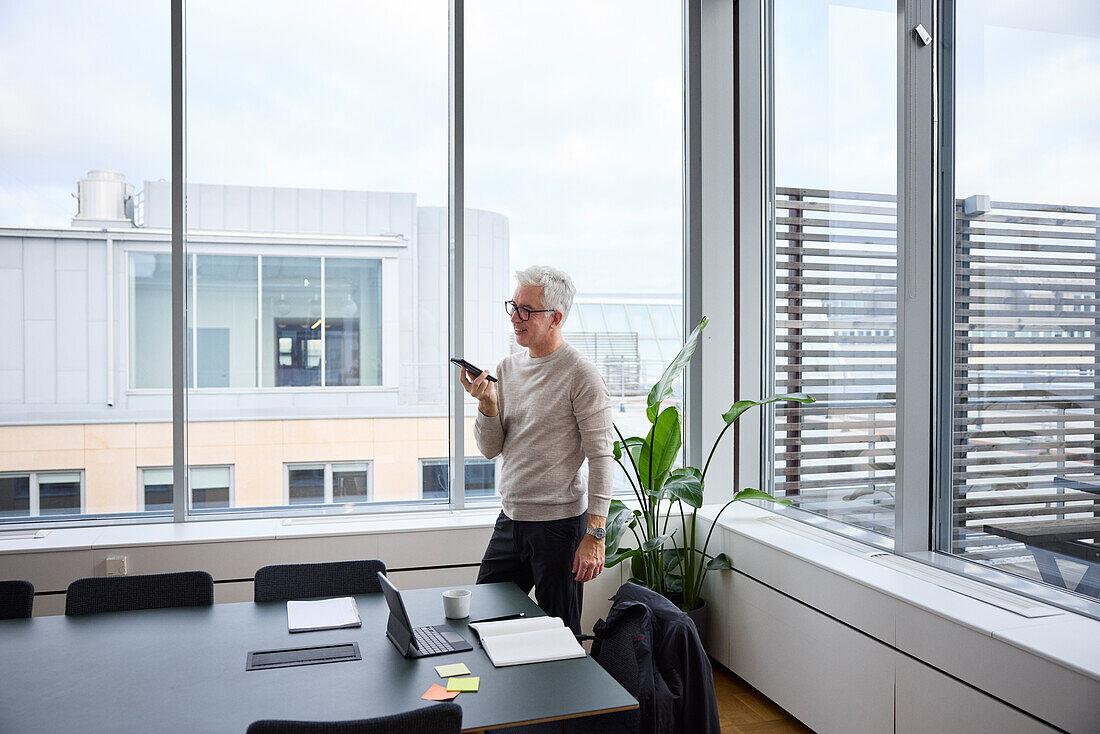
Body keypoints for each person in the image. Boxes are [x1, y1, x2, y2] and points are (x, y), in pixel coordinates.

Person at [458, 265, 613, 635]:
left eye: (526, 310)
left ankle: (571, 696)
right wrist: (487, 405)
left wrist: (596, 534)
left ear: (556, 318)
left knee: (560, 637)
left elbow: (601, 457)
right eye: (513, 306)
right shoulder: (506, 369)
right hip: (511, 521)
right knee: (484, 621)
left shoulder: (581, 374)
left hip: (559, 529)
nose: (515, 317)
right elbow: (489, 449)